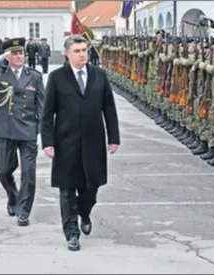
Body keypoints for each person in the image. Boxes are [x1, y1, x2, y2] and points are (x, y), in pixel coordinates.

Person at [41, 35, 120, 251]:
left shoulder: (99, 75)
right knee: (66, 190)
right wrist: (47, 142)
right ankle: (72, 234)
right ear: (67, 54)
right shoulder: (57, 77)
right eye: (77, 51)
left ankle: (84, 212)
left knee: (91, 188)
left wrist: (114, 138)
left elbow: (109, 108)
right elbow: (47, 113)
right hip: (65, 142)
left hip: (93, 141)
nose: (82, 54)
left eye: (84, 50)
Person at [0, 37, 45, 227]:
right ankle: (13, 196)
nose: (19, 56)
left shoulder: (35, 76)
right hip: (5, 129)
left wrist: (42, 133)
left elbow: (41, 106)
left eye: (21, 53)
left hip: (28, 130)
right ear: (7, 57)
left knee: (29, 173)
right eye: (14, 53)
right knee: (3, 170)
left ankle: (23, 211)